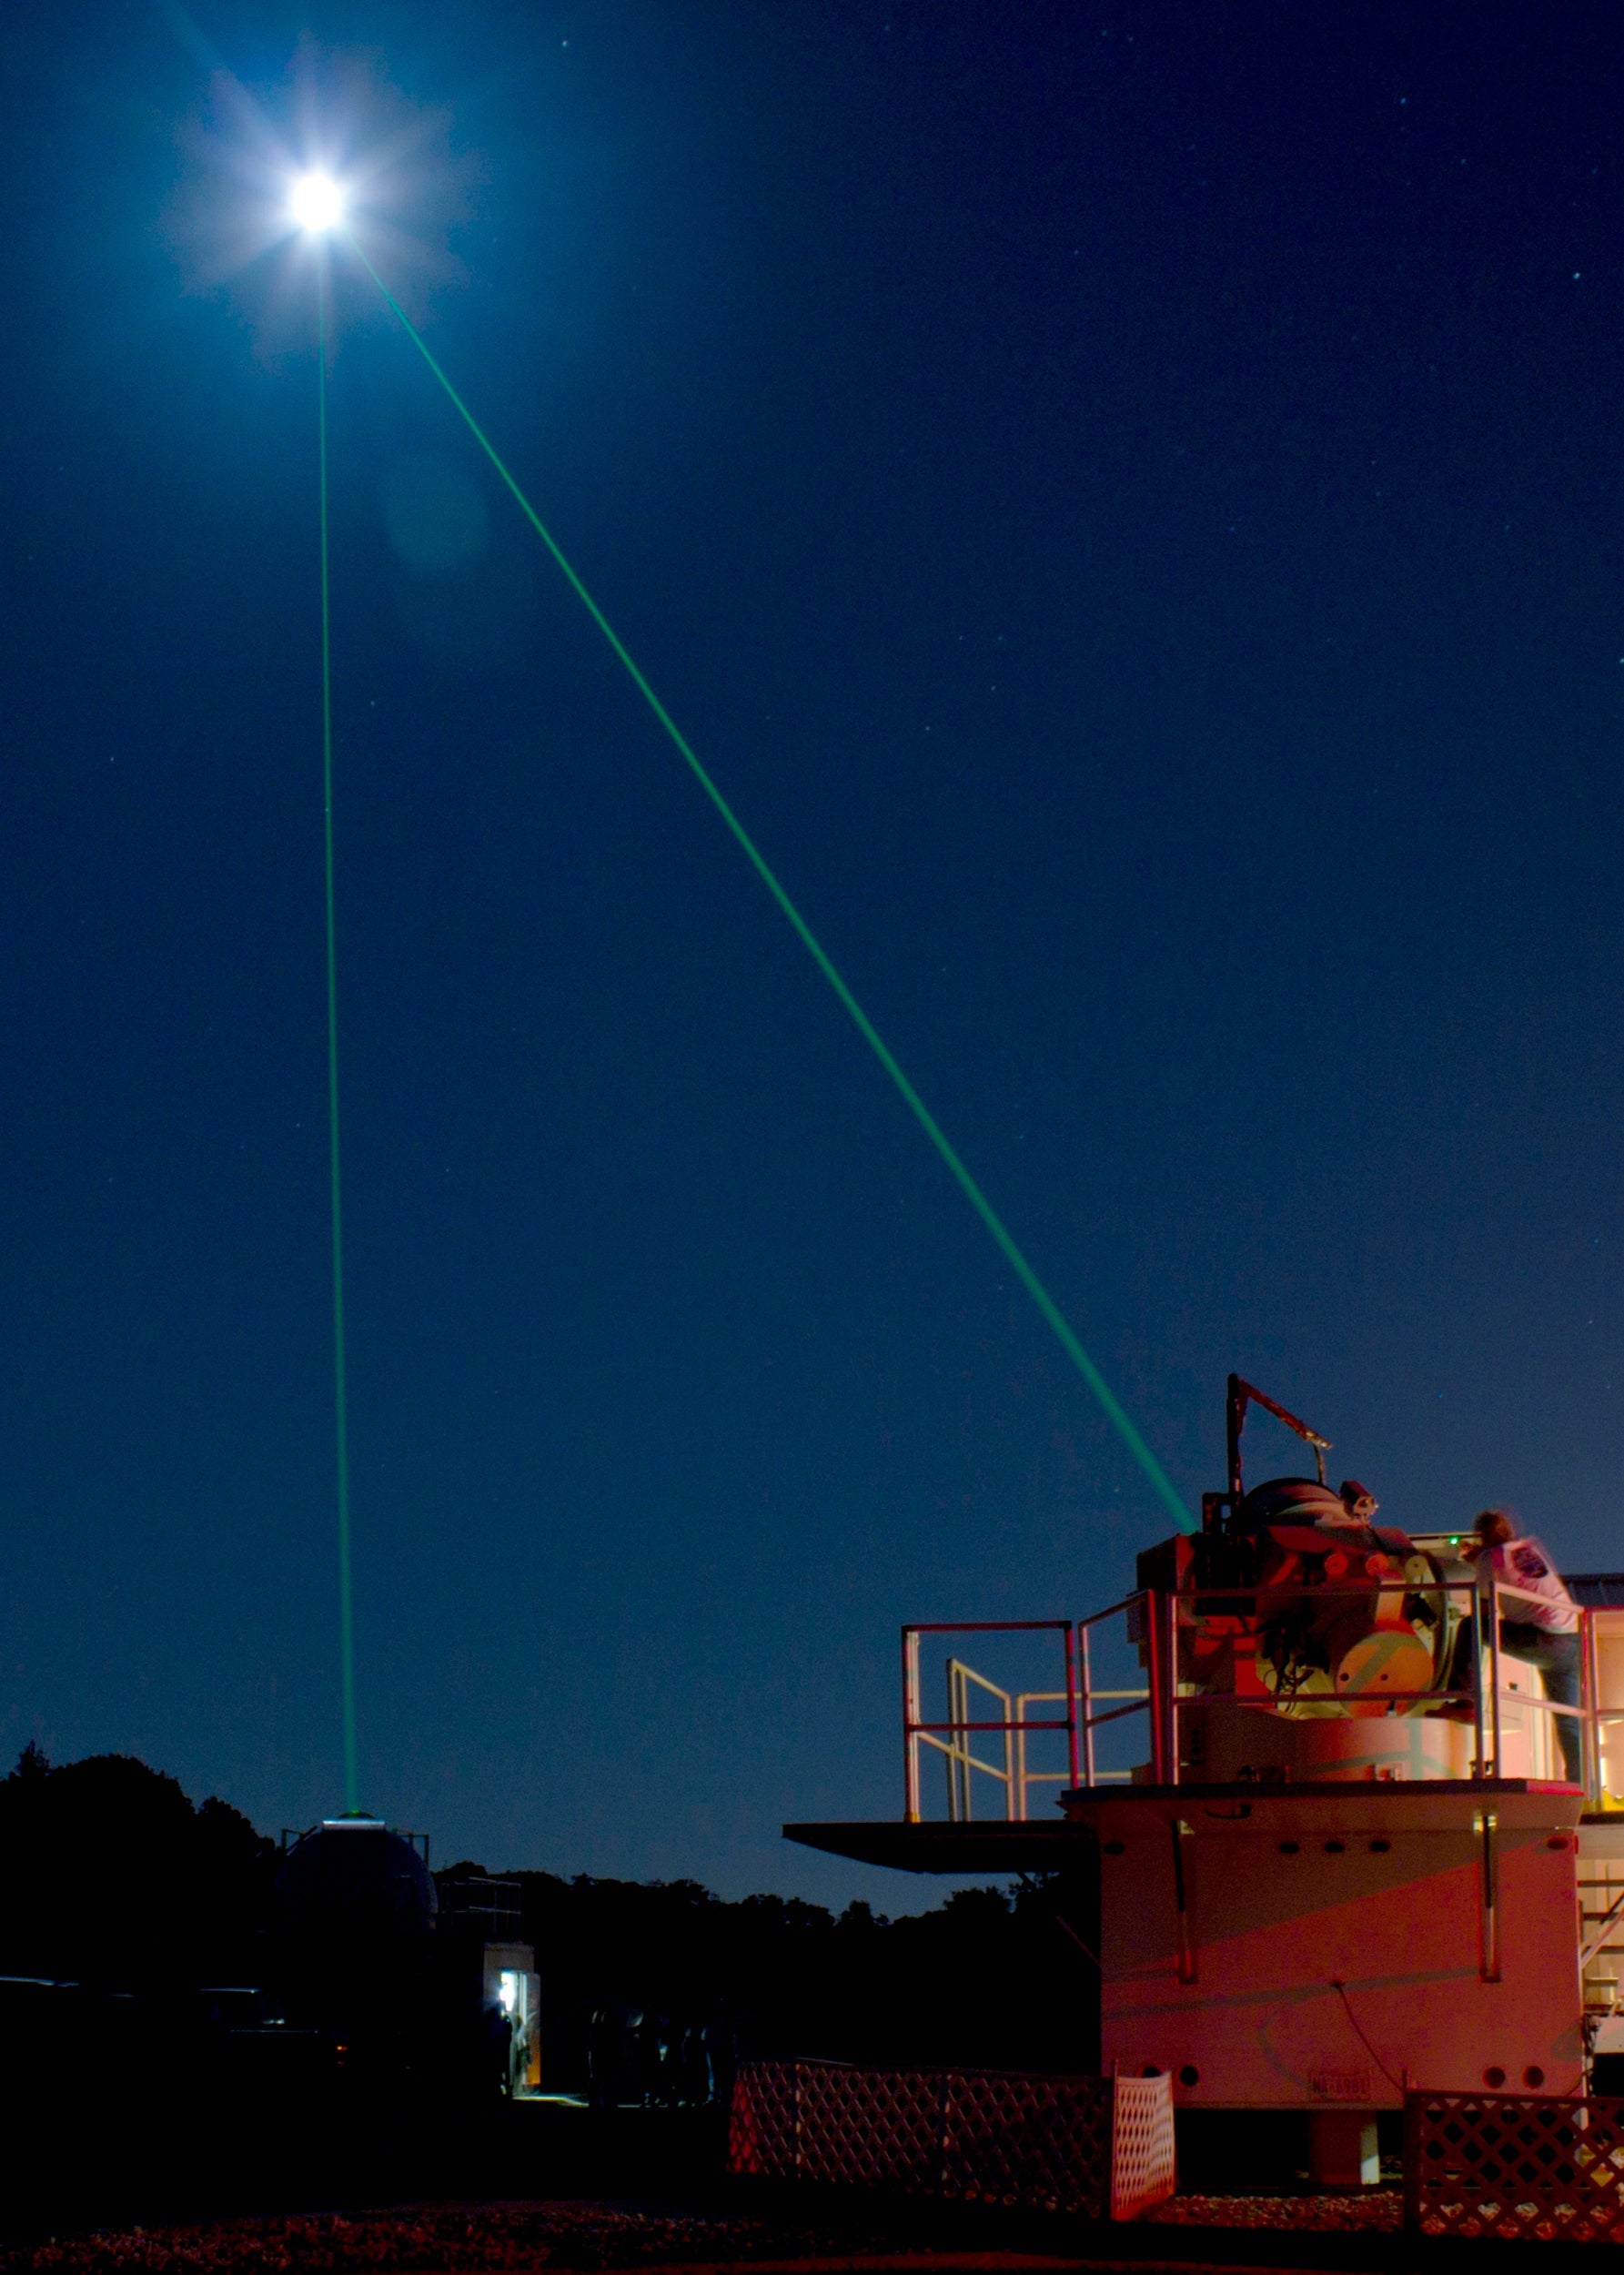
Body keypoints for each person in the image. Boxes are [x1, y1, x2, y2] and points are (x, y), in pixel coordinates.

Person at [1468, 1508, 1582, 1784]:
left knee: (1472, 1627)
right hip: (1572, 1638)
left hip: (1543, 1638)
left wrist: (1478, 1563)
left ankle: (1464, 1698)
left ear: (1481, 1537)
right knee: (1568, 1719)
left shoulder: (1489, 1559)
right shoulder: (1530, 1547)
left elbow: (1484, 1609)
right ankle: (1582, 1785)